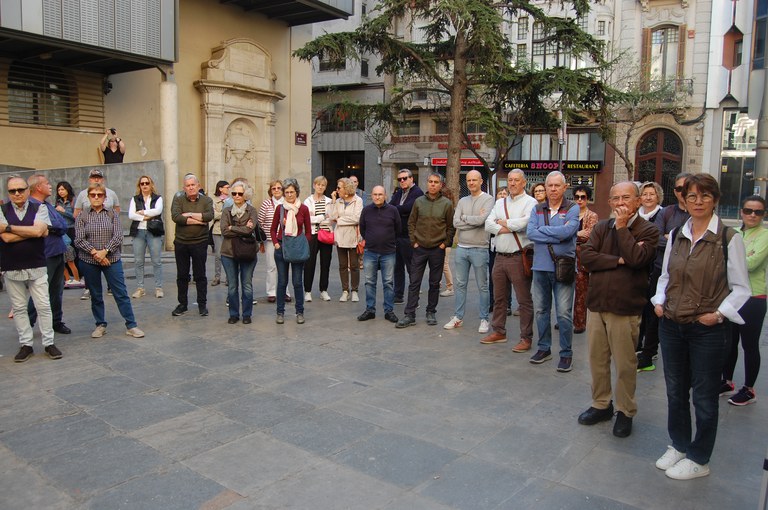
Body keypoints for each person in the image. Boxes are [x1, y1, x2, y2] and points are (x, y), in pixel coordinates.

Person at [651, 173, 750, 480]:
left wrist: (719, 314)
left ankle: (699, 457)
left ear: (715, 199)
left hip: (707, 328)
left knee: (704, 397)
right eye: (691, 196)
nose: (697, 201)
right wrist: (659, 299)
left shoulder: (728, 238)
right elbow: (666, 274)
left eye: (704, 196)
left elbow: (741, 288)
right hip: (672, 323)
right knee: (675, 391)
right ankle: (679, 444)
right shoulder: (678, 232)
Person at [577, 181, 659, 438]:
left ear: (637, 202)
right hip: (597, 304)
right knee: (597, 360)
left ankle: (625, 410)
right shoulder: (602, 227)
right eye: (615, 199)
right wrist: (618, 260)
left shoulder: (648, 230)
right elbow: (586, 257)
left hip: (625, 308)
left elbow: (637, 259)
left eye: (626, 198)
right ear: (610, 202)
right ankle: (601, 403)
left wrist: (623, 230)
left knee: (625, 364)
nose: (620, 203)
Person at [1, 175, 63, 362]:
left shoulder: (40, 207)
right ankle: (26, 344)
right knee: (19, 308)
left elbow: (39, 231)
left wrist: (9, 228)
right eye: (13, 191)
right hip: (12, 266)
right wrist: (34, 232)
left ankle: (49, 343)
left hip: (37, 264)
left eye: (21, 189)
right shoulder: (2, 209)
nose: (17, 193)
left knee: (43, 306)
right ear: (9, 193)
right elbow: (6, 239)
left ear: (28, 190)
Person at [75, 182, 144, 339]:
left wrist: (104, 252)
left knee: (120, 292)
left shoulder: (112, 214)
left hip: (111, 259)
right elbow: (79, 239)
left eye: (100, 195)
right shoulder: (82, 216)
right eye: (93, 195)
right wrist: (96, 254)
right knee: (96, 294)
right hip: (89, 260)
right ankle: (100, 324)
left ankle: (131, 325)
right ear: (88, 197)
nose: (97, 197)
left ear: (105, 197)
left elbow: (118, 236)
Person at [526, 170, 579, 372]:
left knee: (564, 314)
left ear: (565, 187)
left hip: (563, 267)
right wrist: (558, 234)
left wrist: (544, 232)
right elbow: (530, 233)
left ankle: (566, 353)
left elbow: (568, 232)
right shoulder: (537, 208)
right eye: (550, 185)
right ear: (545, 187)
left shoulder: (572, 208)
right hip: (540, 267)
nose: (553, 189)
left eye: (558, 185)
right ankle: (544, 348)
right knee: (541, 310)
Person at [637, 173, 691, 371]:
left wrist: (671, 238)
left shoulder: (699, 214)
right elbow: (655, 238)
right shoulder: (668, 213)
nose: (683, 193)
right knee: (653, 310)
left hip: (690, 275)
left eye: (687, 188)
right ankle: (648, 353)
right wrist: (675, 240)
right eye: (678, 189)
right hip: (662, 269)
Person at [481, 170, 537, 348]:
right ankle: (498, 331)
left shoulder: (531, 202)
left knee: (523, 300)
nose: (512, 183)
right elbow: (488, 225)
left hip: (518, 257)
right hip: (499, 257)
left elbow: (525, 224)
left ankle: (526, 337)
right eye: (510, 180)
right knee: (499, 298)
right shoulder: (499, 202)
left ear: (524, 183)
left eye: (516, 180)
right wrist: (511, 225)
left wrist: (502, 222)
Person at [721, 195, 768, 406]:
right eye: (748, 210)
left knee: (749, 345)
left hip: (753, 297)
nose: (752, 215)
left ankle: (749, 389)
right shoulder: (735, 233)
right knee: (729, 342)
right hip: (731, 295)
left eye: (758, 212)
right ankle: (727, 381)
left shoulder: (765, 235)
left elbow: (751, 264)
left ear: (763, 214)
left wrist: (729, 260)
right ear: (741, 211)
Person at [396, 173, 455, 328]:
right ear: (427, 183)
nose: (433, 184)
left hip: (437, 249)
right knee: (414, 282)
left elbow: (450, 227)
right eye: (430, 182)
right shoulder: (419, 202)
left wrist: (445, 244)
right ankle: (410, 314)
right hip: (419, 248)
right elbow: (411, 223)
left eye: (436, 182)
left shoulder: (447, 204)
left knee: (434, 283)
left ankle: (431, 312)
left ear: (441, 185)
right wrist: (414, 242)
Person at [443, 170, 494, 333]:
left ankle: (484, 319)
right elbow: (455, 222)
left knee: (482, 286)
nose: (471, 183)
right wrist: (472, 220)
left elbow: (482, 221)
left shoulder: (488, 199)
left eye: (474, 180)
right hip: (462, 249)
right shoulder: (463, 200)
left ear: (481, 181)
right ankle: (458, 317)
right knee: (460, 285)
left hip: (480, 248)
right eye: (468, 180)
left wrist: (466, 218)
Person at [26, 174, 71, 335]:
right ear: (38, 187)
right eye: (47, 183)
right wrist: (53, 227)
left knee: (56, 290)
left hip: (58, 251)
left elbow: (62, 225)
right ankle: (27, 323)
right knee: (40, 291)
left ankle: (56, 321)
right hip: (45, 254)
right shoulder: (31, 206)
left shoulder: (47, 205)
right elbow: (43, 228)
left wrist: (52, 228)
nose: (50, 186)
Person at [170, 174, 214, 317]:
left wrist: (188, 214)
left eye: (193, 185)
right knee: (182, 275)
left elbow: (209, 216)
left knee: (200, 275)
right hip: (181, 243)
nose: (190, 187)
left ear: (198, 185)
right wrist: (198, 221)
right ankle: (182, 304)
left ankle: (202, 304)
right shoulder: (178, 199)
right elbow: (176, 217)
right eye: (188, 185)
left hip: (199, 243)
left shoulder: (207, 200)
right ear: (184, 188)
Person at [358, 185, 401, 323]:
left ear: (385, 196)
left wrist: (390, 242)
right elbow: (362, 228)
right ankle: (370, 310)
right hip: (370, 252)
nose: (377, 197)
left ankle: (389, 311)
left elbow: (398, 229)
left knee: (388, 282)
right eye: (375, 194)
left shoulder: (393, 211)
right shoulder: (366, 211)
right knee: (369, 282)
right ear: (372, 195)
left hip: (388, 252)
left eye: (380, 194)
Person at [271, 178, 311, 324]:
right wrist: (276, 243)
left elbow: (308, 230)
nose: (289, 195)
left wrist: (304, 243)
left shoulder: (304, 209)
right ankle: (280, 312)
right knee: (282, 282)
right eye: (286, 192)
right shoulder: (280, 209)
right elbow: (272, 229)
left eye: (291, 192)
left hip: (297, 247)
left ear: (297, 192)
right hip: (282, 247)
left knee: (297, 282)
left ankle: (299, 312)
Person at [220, 181, 259, 325]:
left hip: (247, 252)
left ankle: (247, 314)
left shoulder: (252, 211)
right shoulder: (226, 211)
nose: (236, 196)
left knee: (247, 285)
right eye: (234, 193)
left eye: (240, 193)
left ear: (245, 195)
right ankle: (234, 314)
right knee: (232, 286)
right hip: (228, 252)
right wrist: (240, 229)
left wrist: (233, 228)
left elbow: (250, 230)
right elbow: (224, 231)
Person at [635, 181, 664, 368]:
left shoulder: (663, 214)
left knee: (651, 309)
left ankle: (650, 349)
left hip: (655, 268)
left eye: (651, 194)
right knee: (638, 307)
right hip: (636, 268)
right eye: (644, 194)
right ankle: (637, 344)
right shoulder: (635, 215)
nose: (647, 197)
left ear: (658, 196)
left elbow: (662, 241)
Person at [390, 168, 424, 304]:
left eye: (405, 178)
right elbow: (391, 206)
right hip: (397, 235)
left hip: (410, 237)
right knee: (397, 267)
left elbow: (409, 208)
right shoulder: (399, 193)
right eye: (400, 179)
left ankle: (414, 299)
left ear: (411, 179)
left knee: (412, 269)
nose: (402, 181)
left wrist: (395, 210)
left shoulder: (418, 192)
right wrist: (397, 210)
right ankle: (398, 295)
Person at [128, 175, 164, 299]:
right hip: (138, 232)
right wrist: (147, 216)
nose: (144, 185)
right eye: (142, 183)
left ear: (151, 184)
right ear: (139, 186)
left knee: (156, 261)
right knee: (138, 261)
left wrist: (142, 212)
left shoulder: (158, 198)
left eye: (146, 183)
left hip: (153, 231)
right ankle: (140, 288)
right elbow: (131, 215)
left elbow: (158, 211)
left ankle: (159, 287)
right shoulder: (135, 199)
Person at [328, 177, 363, 302]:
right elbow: (332, 217)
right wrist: (332, 201)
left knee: (354, 265)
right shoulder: (338, 201)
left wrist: (340, 220)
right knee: (342, 265)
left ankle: (354, 290)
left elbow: (357, 218)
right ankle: (345, 290)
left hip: (353, 237)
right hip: (340, 237)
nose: (337, 190)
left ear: (346, 188)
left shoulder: (357, 200)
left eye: (339, 188)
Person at [259, 180, 290, 303]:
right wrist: (261, 242)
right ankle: (271, 292)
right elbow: (260, 222)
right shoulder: (266, 203)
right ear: (270, 191)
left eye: (279, 188)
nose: (276, 190)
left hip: (286, 239)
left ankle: (285, 292)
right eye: (274, 188)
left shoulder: (288, 203)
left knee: (285, 266)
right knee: (271, 266)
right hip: (270, 240)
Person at [573, 185, 599, 335]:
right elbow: (562, 232)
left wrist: (571, 235)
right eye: (577, 197)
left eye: (583, 197)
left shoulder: (592, 216)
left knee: (581, 291)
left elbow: (590, 234)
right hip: (567, 256)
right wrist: (577, 234)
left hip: (582, 259)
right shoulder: (569, 214)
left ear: (587, 199)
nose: (579, 200)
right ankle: (564, 319)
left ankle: (580, 322)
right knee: (565, 290)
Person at [303, 176, 333, 302]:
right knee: (309, 263)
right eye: (318, 185)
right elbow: (307, 219)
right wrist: (322, 217)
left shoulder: (329, 201)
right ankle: (308, 291)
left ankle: (323, 290)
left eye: (323, 185)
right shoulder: (308, 201)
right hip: (312, 234)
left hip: (326, 234)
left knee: (325, 263)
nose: (320, 187)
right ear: (314, 185)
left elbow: (331, 217)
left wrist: (316, 217)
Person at [55, 181, 81, 286]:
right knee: (65, 256)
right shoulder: (58, 202)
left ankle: (78, 277)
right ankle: (67, 278)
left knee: (74, 254)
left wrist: (63, 211)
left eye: (63, 189)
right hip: (62, 230)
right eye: (59, 190)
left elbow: (76, 216)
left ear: (67, 190)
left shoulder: (73, 201)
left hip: (72, 229)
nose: (61, 192)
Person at [210, 180, 230, 286]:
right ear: (220, 188)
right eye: (227, 187)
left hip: (228, 230)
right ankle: (217, 277)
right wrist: (225, 214)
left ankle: (228, 277)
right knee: (218, 255)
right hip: (217, 230)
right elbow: (213, 215)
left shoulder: (231, 200)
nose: (228, 189)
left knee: (228, 254)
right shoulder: (214, 201)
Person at [439, 185, 455, 297]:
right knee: (439, 264)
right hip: (442, 241)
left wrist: (445, 242)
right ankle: (438, 283)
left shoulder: (448, 208)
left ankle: (450, 287)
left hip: (444, 241)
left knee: (444, 265)